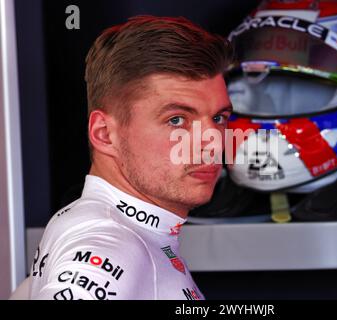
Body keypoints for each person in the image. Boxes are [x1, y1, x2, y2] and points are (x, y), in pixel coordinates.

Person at [28, 15, 233, 300]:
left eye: (219, 118)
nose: (213, 143)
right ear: (104, 134)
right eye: (176, 120)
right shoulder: (109, 242)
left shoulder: (107, 226)